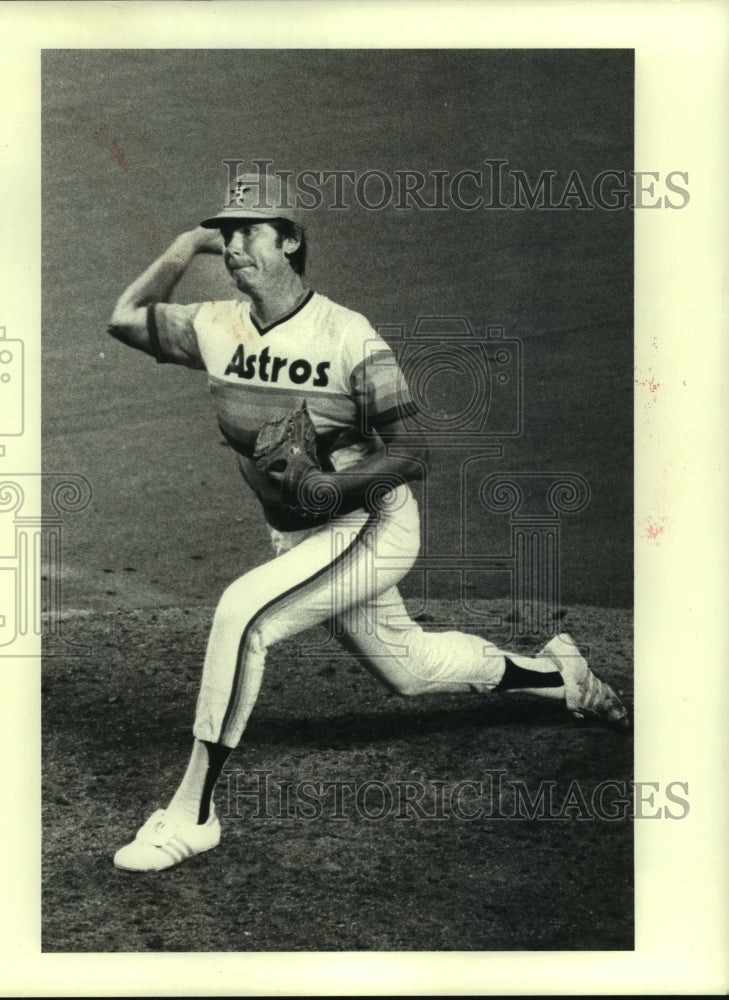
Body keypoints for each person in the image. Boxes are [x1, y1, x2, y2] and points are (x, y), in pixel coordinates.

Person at [107, 172, 628, 872]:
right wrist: (181, 245)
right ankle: (559, 677)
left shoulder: (348, 337)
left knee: (243, 615)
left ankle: (190, 812)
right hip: (301, 536)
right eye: (223, 234)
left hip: (369, 526)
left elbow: (413, 452)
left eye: (247, 232)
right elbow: (124, 316)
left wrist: (331, 481)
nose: (231, 247)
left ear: (290, 240)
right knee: (408, 669)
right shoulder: (213, 325)